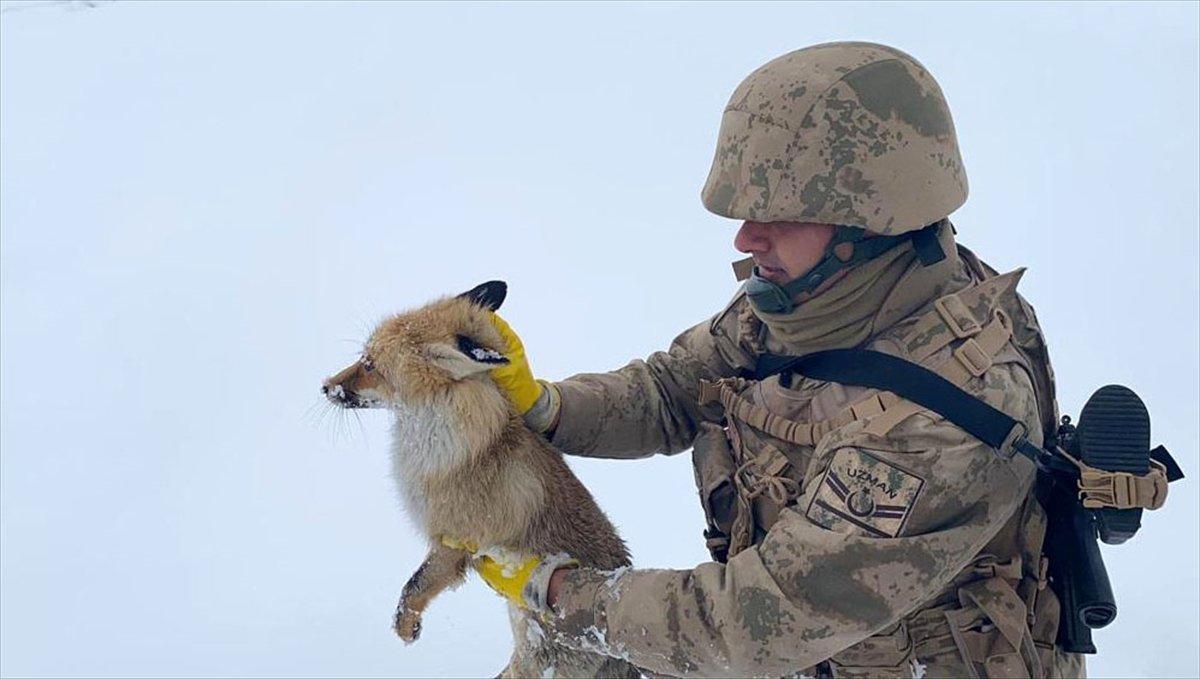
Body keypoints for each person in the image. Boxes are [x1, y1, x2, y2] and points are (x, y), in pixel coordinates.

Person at [480, 42, 1084, 678]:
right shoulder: (816, 298)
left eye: (779, 214)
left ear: (870, 224)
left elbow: (752, 621)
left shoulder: (940, 422)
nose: (745, 238)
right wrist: (543, 405)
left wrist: (557, 592)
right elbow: (671, 389)